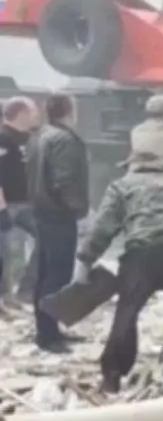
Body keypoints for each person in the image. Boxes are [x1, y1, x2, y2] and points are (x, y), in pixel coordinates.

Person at [75, 144, 163, 393]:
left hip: (144, 255)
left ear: (134, 165)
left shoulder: (122, 185)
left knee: (128, 312)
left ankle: (112, 377)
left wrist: (85, 260)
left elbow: (103, 228)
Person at [26, 94, 88, 353]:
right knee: (58, 275)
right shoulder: (64, 139)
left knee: (43, 273)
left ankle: (47, 328)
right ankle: (49, 336)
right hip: (59, 214)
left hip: (41, 211)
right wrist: (78, 208)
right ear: (69, 111)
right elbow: (63, 180)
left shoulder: (39, 135)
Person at [0, 97, 39, 303]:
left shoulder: (29, 138)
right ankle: (6, 297)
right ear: (21, 114)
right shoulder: (3, 139)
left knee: (47, 240)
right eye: (33, 112)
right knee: (8, 253)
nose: (37, 116)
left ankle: (26, 289)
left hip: (27, 204)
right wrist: (2, 208)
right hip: (9, 204)